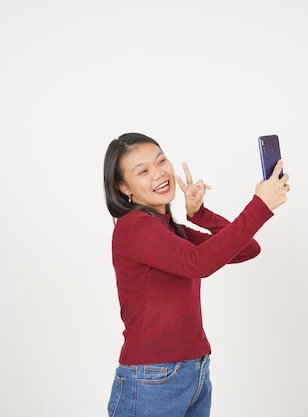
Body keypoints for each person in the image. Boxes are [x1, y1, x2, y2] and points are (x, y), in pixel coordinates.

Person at [103, 132, 290, 417]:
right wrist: (259, 206)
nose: (159, 173)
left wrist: (199, 213)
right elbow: (199, 262)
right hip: (152, 377)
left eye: (161, 161)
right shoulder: (134, 227)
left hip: (192, 371)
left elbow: (247, 250)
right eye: (143, 171)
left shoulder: (168, 229)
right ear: (123, 187)